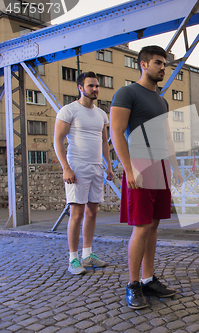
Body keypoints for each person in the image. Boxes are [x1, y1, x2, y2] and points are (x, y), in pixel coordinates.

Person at [110, 45, 183, 309]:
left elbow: (165, 136)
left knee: (154, 226)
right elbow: (117, 133)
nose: (163, 67)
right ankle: (132, 285)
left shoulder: (162, 99)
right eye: (158, 63)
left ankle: (148, 279)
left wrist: (175, 168)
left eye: (164, 63)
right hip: (139, 165)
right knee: (140, 227)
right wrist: (128, 169)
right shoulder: (127, 93)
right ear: (143, 64)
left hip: (160, 166)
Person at [54, 71, 114, 275]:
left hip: (97, 167)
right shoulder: (68, 111)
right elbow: (58, 140)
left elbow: (104, 142)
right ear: (81, 88)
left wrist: (109, 165)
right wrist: (66, 167)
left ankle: (88, 255)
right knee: (76, 213)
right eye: (91, 86)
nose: (95, 89)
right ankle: (73, 259)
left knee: (92, 211)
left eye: (97, 86)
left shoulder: (101, 114)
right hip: (77, 167)